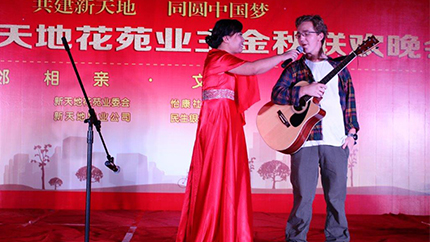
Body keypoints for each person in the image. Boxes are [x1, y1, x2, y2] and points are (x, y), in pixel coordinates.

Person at [176, 19, 300, 242]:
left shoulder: (223, 59)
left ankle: (227, 228)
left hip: (227, 119)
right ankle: (214, 228)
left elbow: (250, 70)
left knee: (229, 172)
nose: (243, 40)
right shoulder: (218, 57)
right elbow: (253, 68)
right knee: (217, 172)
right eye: (239, 36)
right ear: (226, 38)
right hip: (218, 121)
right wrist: (283, 56)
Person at [271, 15, 359, 242]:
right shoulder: (294, 69)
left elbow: (349, 102)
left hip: (336, 140)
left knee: (336, 197)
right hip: (304, 140)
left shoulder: (339, 67)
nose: (301, 38)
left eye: (306, 33)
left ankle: (338, 238)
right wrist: (303, 91)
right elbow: (277, 95)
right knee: (303, 197)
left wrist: (352, 133)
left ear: (320, 36)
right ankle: (296, 238)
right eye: (298, 34)